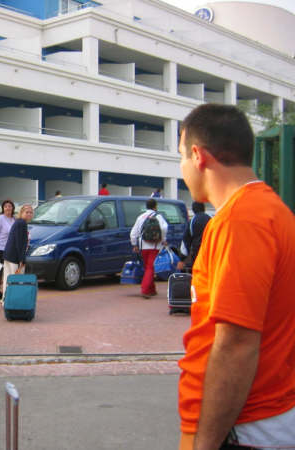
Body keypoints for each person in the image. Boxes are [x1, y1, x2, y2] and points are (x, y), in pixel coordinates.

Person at [177, 104, 295, 450]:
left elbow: (236, 342)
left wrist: (206, 443)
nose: (182, 167)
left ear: (198, 155)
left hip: (242, 425)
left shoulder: (241, 220)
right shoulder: (274, 211)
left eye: (181, 156)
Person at [129, 198, 168, 298]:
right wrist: (163, 239)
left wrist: (134, 244)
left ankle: (152, 289)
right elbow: (164, 228)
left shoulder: (140, 217)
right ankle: (145, 289)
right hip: (155, 245)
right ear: (155, 206)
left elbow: (133, 233)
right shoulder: (158, 216)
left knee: (147, 267)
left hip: (143, 246)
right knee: (151, 267)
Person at [2, 204, 34, 297]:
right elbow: (19, 243)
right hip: (14, 257)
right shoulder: (22, 223)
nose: (29, 214)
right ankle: (14, 301)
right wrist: (22, 260)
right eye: (26, 212)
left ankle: (6, 300)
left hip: (9, 255)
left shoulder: (18, 222)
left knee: (8, 279)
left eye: (31, 212)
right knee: (16, 280)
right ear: (21, 213)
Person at [0, 199, 15, 301]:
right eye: (6, 206)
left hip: (11, 249)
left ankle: (3, 292)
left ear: (13, 208)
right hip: (1, 249)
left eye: (9, 206)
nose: (8, 208)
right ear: (3, 208)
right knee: (1, 272)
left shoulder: (14, 219)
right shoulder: (0, 219)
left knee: (8, 271)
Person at [176, 201, 211, 272]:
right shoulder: (210, 219)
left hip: (197, 253)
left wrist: (182, 259)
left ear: (193, 210)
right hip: (210, 251)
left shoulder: (192, 221)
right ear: (204, 209)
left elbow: (186, 241)